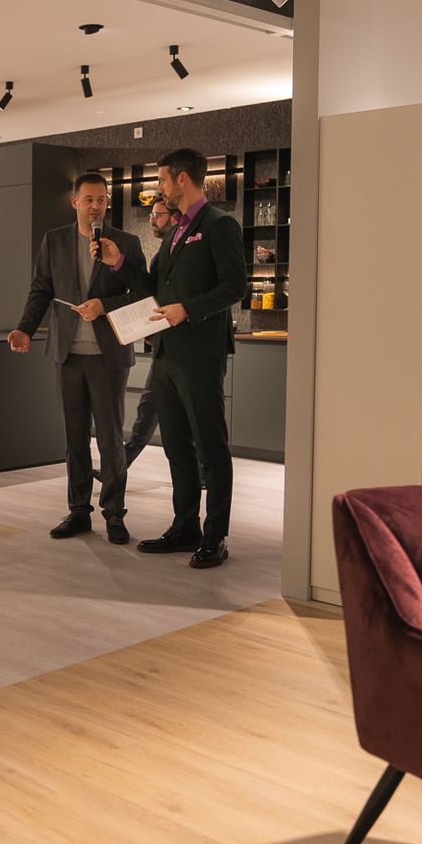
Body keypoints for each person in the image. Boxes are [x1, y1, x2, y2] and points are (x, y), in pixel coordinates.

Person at [95, 149, 246, 569]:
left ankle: (215, 535)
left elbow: (235, 286)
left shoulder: (219, 225)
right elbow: (153, 288)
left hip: (200, 355)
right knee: (176, 446)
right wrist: (119, 262)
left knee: (210, 448)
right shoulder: (175, 230)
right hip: (165, 355)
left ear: (181, 179)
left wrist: (188, 309)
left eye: (162, 180)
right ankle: (185, 527)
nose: (159, 188)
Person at [9, 173, 146, 545]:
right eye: (89, 200)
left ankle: (114, 514)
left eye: (101, 200)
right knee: (74, 438)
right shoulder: (54, 241)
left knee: (111, 441)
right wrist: (24, 328)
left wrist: (105, 305)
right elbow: (41, 289)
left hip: (108, 356)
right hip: (67, 354)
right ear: (74, 203)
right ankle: (79, 511)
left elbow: (143, 293)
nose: (96, 206)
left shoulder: (126, 243)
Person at [93, 199, 178, 482]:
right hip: (164, 345)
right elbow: (150, 293)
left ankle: (202, 471)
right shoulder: (161, 255)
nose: (152, 220)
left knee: (182, 414)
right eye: (151, 214)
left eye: (158, 215)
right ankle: (119, 465)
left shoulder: (181, 251)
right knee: (148, 409)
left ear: (174, 217)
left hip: (185, 345)